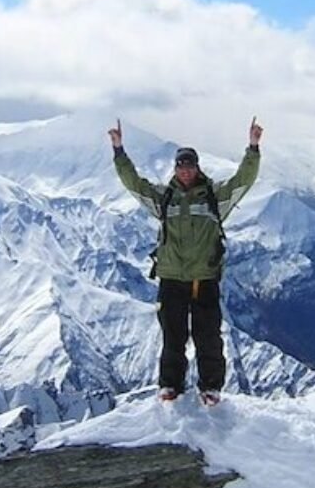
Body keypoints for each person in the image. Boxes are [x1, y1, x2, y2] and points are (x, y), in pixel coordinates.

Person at [107, 117, 263, 405]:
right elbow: (135, 185)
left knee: (208, 337)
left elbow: (244, 180)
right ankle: (170, 386)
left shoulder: (215, 198)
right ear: (176, 169)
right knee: (173, 337)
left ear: (197, 167)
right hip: (171, 278)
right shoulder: (165, 200)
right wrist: (119, 151)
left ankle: (211, 387)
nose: (186, 171)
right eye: (181, 166)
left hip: (204, 278)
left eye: (190, 166)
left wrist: (252, 148)